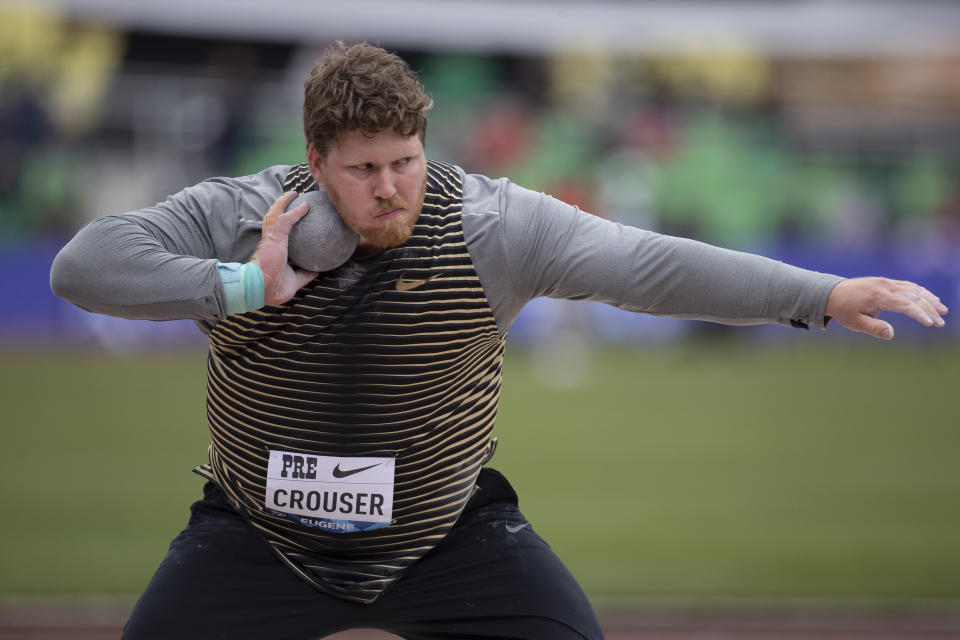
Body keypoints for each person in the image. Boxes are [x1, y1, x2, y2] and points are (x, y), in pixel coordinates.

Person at [50, 42, 947, 640]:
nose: (391, 187)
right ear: (315, 162)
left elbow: (648, 265)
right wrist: (251, 286)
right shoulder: (246, 215)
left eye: (406, 160)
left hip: (445, 535)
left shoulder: (488, 223)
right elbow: (84, 265)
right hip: (259, 533)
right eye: (363, 170)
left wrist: (820, 293)